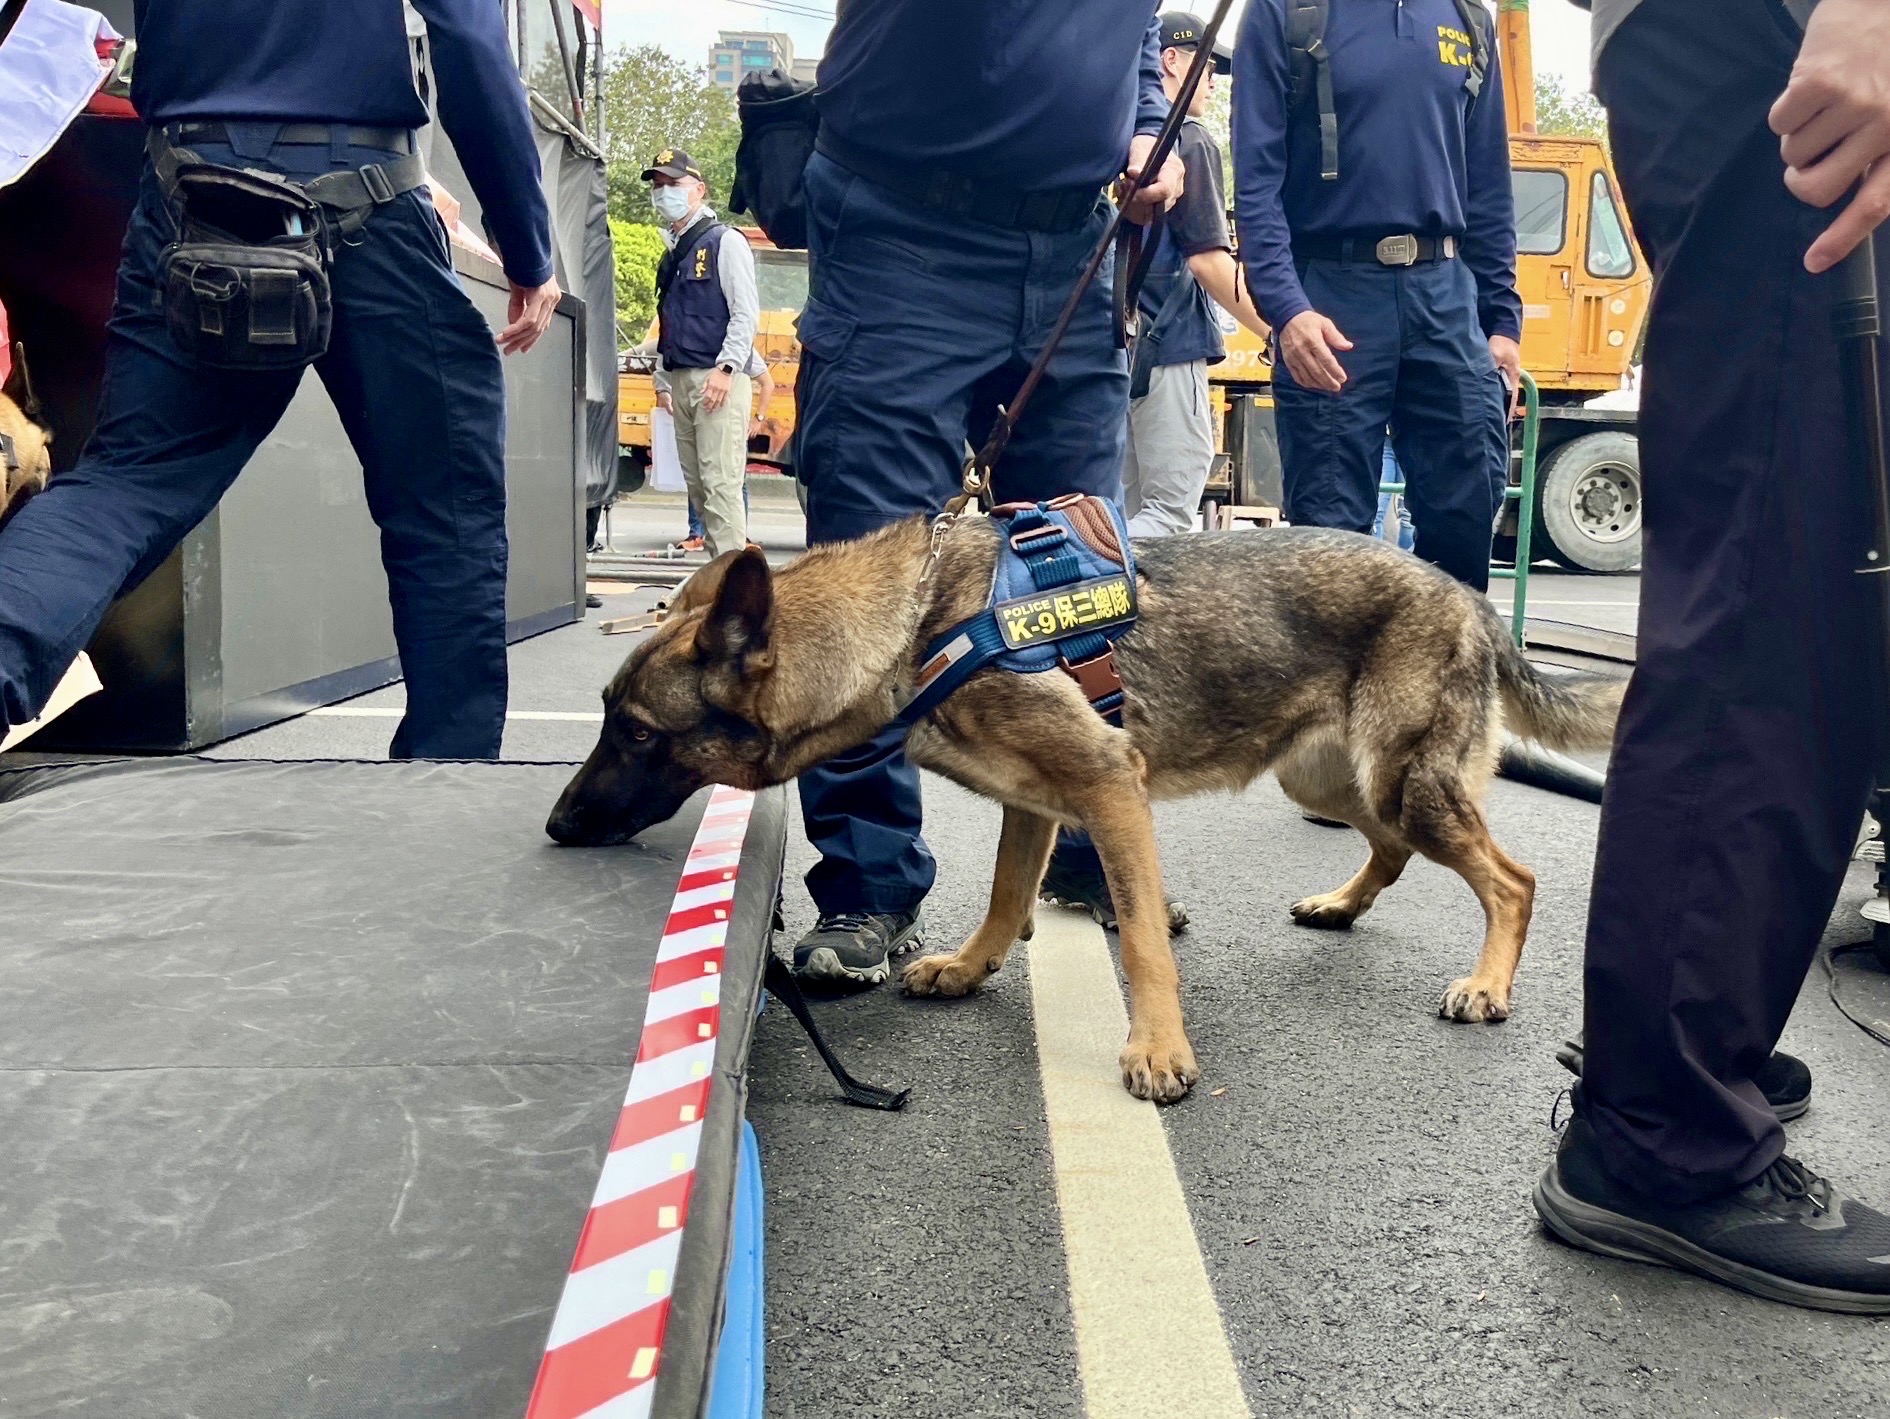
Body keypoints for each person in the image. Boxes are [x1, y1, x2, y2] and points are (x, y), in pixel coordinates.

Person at [1533, 0, 1890, 1313]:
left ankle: (1684, 1041)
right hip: (1770, 32)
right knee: (1773, 576)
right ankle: (1661, 1128)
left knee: (1805, 572)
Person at [0, 0, 560, 758]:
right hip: (365, 197)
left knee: (125, 485)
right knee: (444, 507)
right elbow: (467, 34)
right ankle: (446, 769)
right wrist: (526, 246)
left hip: (190, 192)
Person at [787, 3, 1183, 984]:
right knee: (870, 579)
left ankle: (1087, 843)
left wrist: (1146, 130)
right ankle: (869, 885)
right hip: (900, 227)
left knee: (1082, 580)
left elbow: (1134, 51)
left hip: (1070, 244)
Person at [1232, 0, 1522, 593]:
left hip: (1444, 294)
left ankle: (1447, 681)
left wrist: (1502, 323)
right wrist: (1288, 310)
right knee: (1330, 544)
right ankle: (1336, 687)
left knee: (1467, 510)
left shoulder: (1468, 18)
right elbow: (1255, 184)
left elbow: (1489, 185)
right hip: (1332, 298)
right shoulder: (1284, 13)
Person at [1122, 11, 1270, 538]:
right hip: (1170, 343)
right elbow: (1208, 259)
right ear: (1170, 60)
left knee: (1115, 514)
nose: (1211, 80)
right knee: (1168, 516)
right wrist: (1276, 328)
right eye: (1206, 67)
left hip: (1115, 350)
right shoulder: (1190, 140)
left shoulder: (1117, 139)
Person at [644, 147, 757, 560]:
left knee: (721, 483)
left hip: (716, 378)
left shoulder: (724, 241)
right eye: (658, 186)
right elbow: (668, 323)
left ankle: (734, 589)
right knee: (699, 488)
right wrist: (663, 382)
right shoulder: (673, 252)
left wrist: (726, 369)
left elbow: (745, 313)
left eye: (673, 184)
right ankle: (718, 580)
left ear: (699, 190)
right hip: (683, 377)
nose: (663, 193)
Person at [679, 347, 770, 551]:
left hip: (732, 415)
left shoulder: (743, 350)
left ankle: (737, 537)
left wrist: (759, 419)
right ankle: (698, 532)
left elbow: (768, 383)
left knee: (729, 482)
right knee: (701, 477)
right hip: (700, 401)